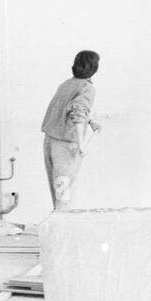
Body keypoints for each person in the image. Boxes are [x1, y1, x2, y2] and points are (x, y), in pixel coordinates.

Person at [40, 49, 102, 210]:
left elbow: (70, 110)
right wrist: (82, 144)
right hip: (67, 145)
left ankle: (58, 225)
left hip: (50, 140)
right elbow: (78, 113)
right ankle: (61, 229)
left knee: (58, 191)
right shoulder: (87, 88)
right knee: (64, 192)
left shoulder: (66, 84)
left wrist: (91, 121)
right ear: (94, 68)